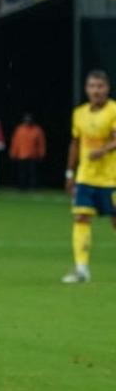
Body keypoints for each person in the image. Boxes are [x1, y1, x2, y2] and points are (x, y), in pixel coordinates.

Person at [62, 69, 116, 284]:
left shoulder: (113, 110)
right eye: (92, 86)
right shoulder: (79, 113)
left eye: (100, 86)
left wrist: (102, 150)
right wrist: (69, 172)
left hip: (111, 178)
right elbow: (75, 143)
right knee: (81, 217)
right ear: (86, 89)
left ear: (107, 88)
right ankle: (81, 269)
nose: (96, 91)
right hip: (85, 177)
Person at [10, 112, 47, 190]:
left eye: (29, 120)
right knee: (21, 173)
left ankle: (33, 187)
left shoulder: (37, 130)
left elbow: (41, 143)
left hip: (33, 155)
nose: (28, 121)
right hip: (21, 155)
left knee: (33, 173)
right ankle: (22, 187)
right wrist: (13, 153)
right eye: (26, 120)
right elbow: (15, 142)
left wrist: (41, 154)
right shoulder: (20, 129)